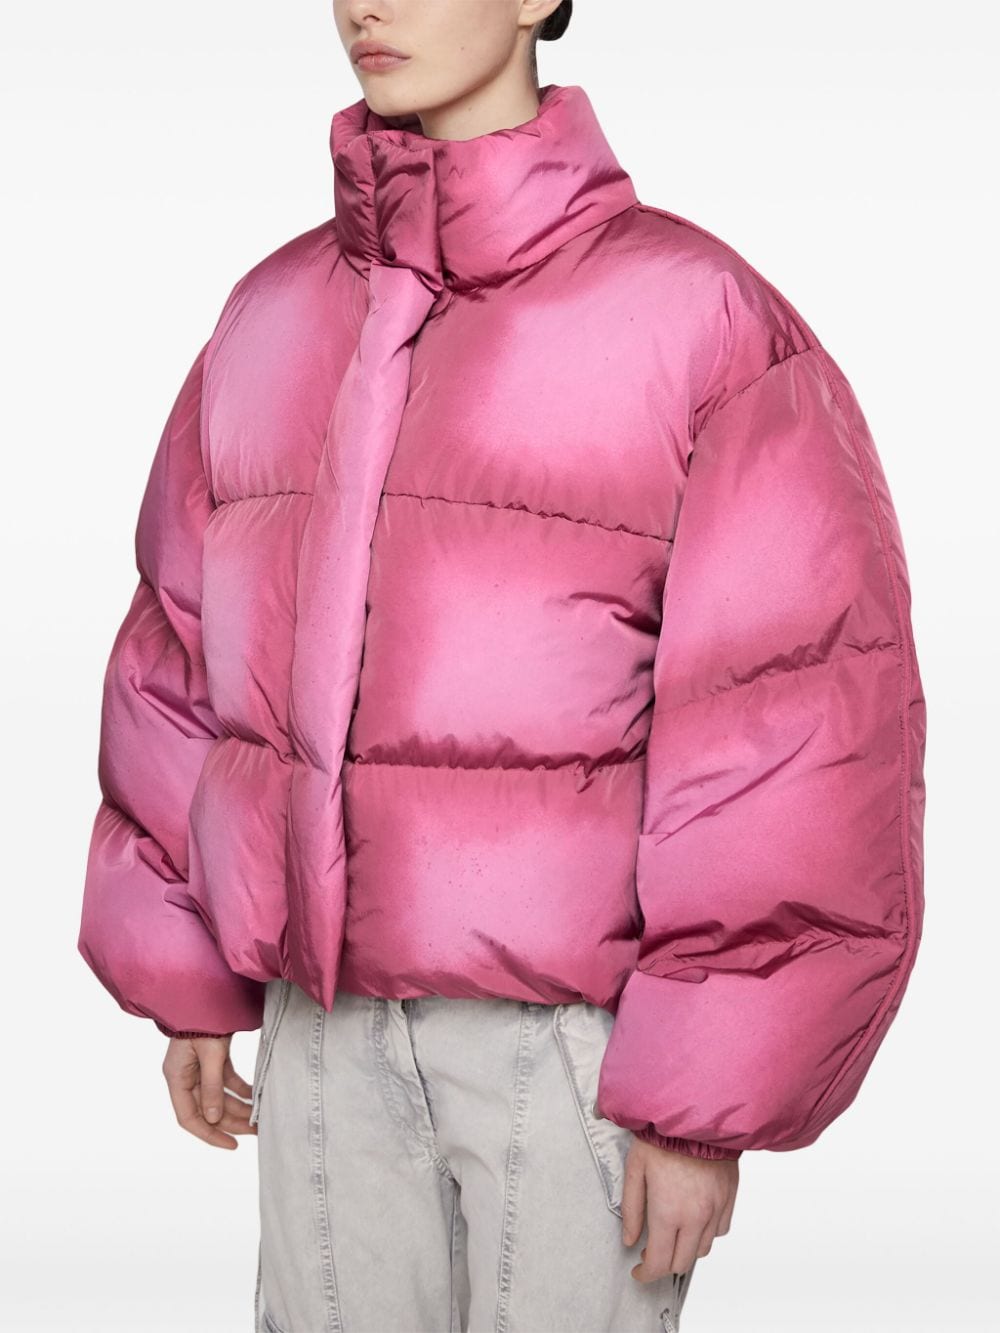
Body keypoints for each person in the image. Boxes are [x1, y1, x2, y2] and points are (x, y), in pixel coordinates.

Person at [77, 1, 927, 1329]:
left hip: (573, 1049)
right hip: (320, 1027)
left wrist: (702, 1098)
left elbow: (790, 718)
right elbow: (179, 658)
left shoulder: (694, 318)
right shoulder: (270, 317)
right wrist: (182, 973)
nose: (366, 5)